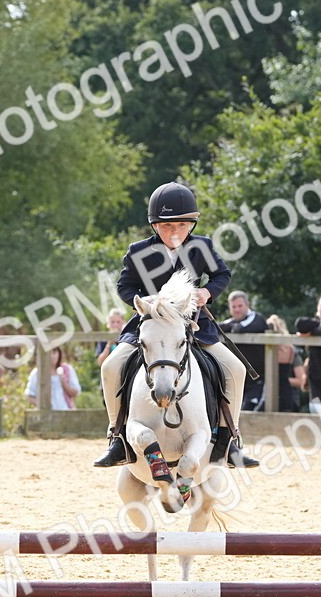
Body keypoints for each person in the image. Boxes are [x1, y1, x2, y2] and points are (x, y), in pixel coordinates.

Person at [94, 181, 258, 468]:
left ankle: (229, 440)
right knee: (110, 367)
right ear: (155, 226)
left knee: (236, 368)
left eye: (182, 225)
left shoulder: (201, 246)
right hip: (149, 324)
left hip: (192, 325)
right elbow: (124, 286)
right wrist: (144, 301)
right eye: (168, 226)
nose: (175, 232)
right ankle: (117, 438)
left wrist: (208, 292)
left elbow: (222, 274)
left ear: (191, 225)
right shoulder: (138, 251)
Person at [219, 291, 268, 412]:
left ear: (248, 305)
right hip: (236, 379)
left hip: (258, 379)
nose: (237, 310)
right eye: (233, 306)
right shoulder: (231, 321)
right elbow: (217, 327)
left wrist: (232, 328)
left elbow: (240, 328)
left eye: (240, 306)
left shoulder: (257, 318)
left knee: (250, 411)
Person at [265, 315, 304, 412]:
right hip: (280, 394)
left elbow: (301, 380)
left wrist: (277, 380)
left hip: (285, 394)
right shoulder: (291, 350)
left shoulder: (292, 352)